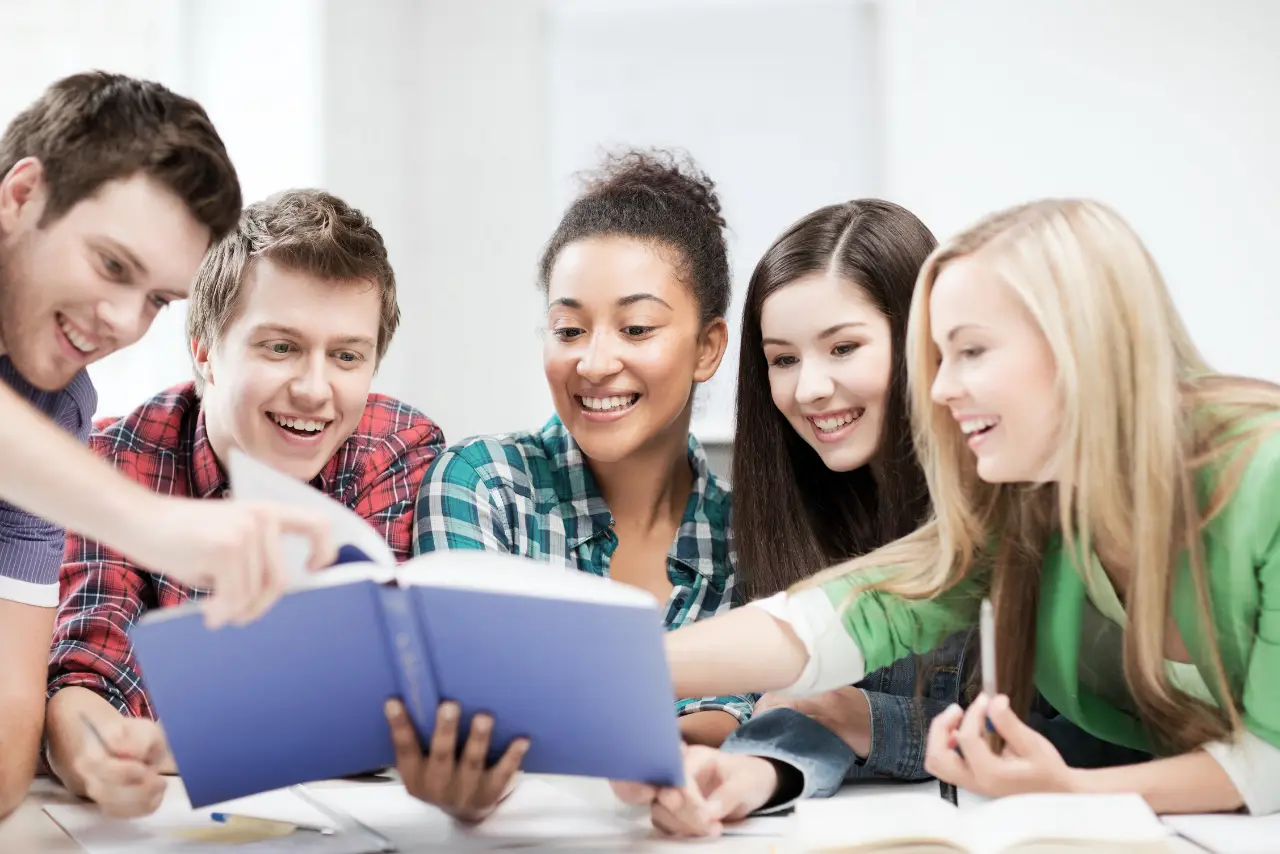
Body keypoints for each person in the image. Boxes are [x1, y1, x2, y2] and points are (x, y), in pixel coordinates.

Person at [662, 198, 1280, 817]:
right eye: (938, 356)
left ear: (1080, 343)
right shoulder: (1032, 502)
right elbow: (850, 615)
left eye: (971, 352)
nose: (937, 388)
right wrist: (620, 671)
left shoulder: (1264, 477)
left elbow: (1269, 764)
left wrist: (1066, 791)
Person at [42, 189, 445, 819]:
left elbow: (375, 704)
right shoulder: (115, 457)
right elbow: (88, 679)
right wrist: (96, 753)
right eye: (280, 347)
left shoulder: (396, 447)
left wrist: (183, 734)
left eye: (346, 356)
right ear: (205, 351)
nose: (315, 390)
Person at [0, 72, 333, 819]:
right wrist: (156, 526)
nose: (121, 321)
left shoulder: (54, 412)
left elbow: (6, 749)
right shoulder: (71, 462)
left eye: (155, 298)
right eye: (112, 265)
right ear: (20, 197)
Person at [391, 149, 744, 824]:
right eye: (568, 329)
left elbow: (744, 720)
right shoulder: (481, 485)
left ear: (707, 346)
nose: (594, 360)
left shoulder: (747, 536)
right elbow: (468, 707)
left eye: (636, 328)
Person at [613, 200, 972, 834]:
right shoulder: (794, 510)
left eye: (843, 347)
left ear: (925, 339)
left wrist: (866, 719)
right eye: (783, 359)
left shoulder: (996, 494)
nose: (808, 389)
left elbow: (1016, 723)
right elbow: (804, 700)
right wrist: (752, 775)